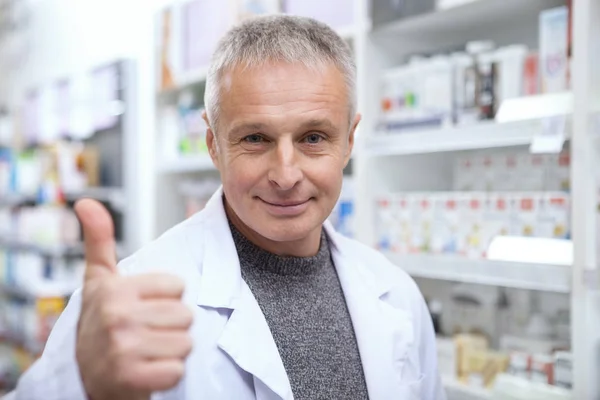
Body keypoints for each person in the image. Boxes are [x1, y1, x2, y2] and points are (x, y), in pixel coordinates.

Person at [11, 15, 445, 400]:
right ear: (214, 145)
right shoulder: (124, 305)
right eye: (255, 139)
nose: (286, 174)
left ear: (349, 141)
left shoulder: (396, 294)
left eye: (313, 137)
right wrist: (83, 388)